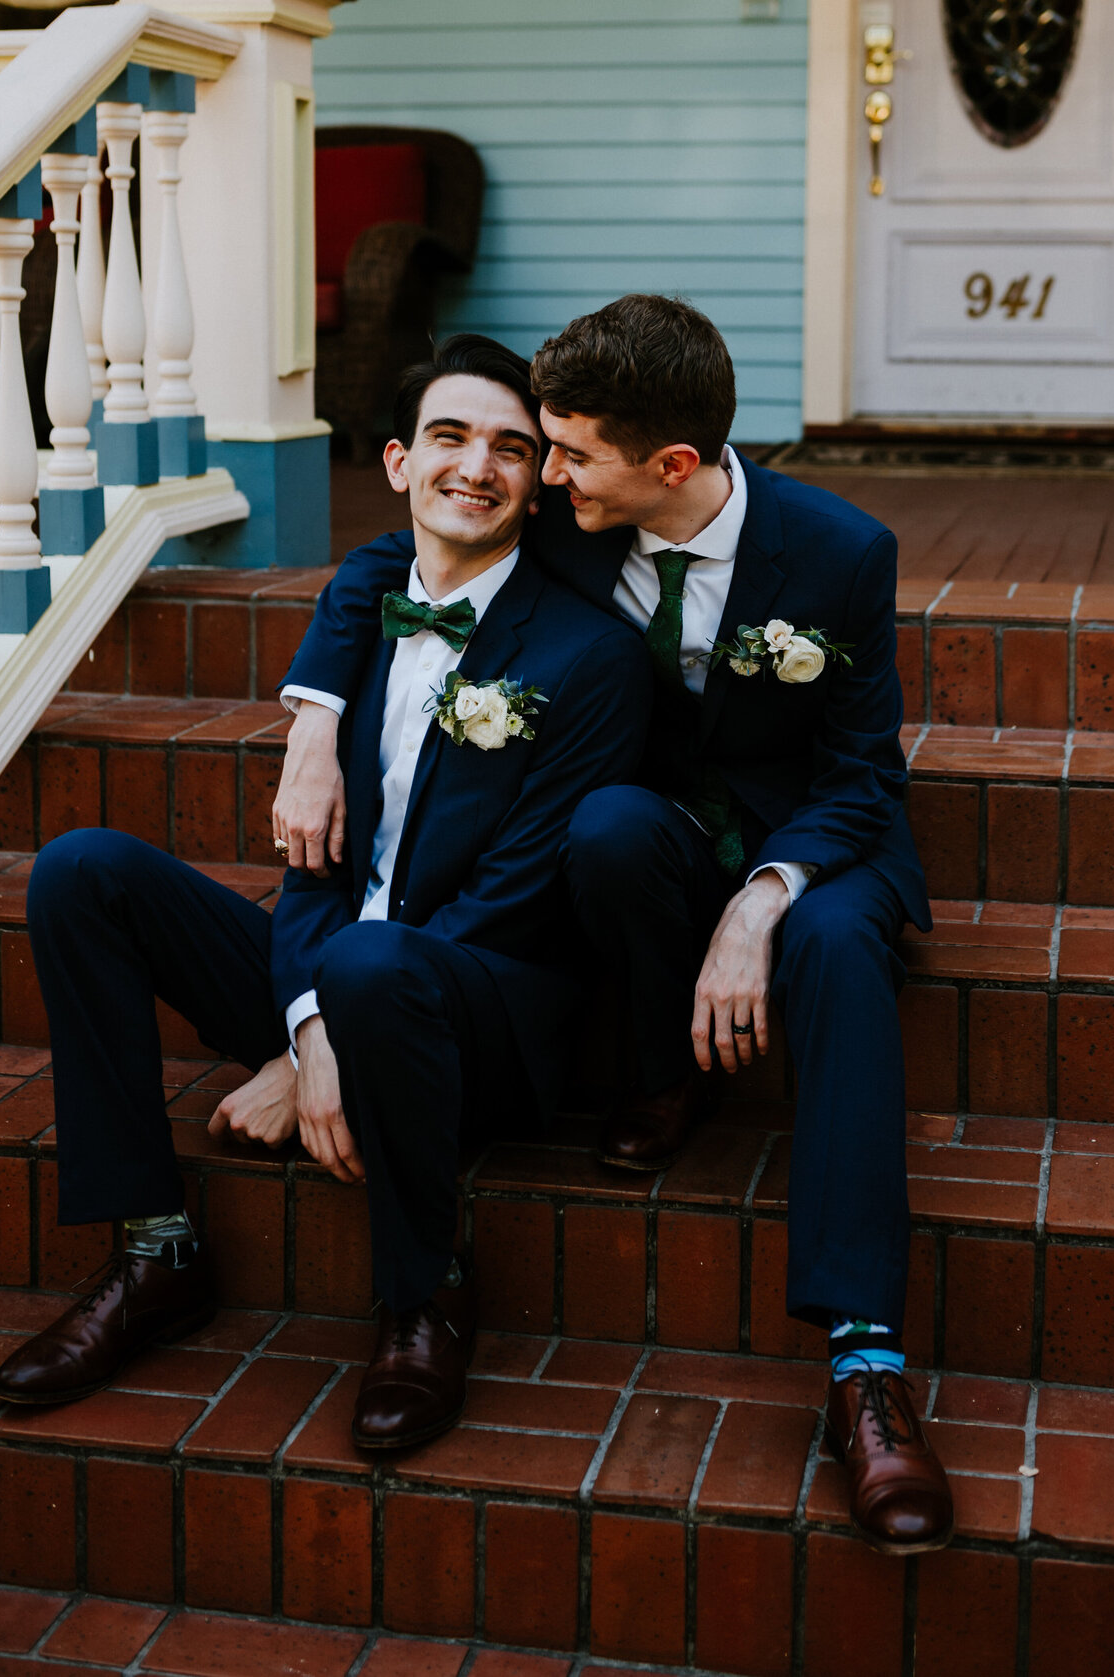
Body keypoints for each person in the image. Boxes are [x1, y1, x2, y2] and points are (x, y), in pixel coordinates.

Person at [280, 294, 955, 1554]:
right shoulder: (579, 518)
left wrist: (765, 896)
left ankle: (867, 1366)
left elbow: (864, 775)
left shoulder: (839, 552)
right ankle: (662, 1070)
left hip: (814, 837)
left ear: (673, 467)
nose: (541, 473)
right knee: (607, 830)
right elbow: (393, 559)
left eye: (567, 454)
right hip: (651, 830)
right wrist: (315, 713)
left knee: (833, 948)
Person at [0, 333, 651, 1454]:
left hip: (476, 1005)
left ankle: (425, 1291)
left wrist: (323, 1034)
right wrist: (306, 1032)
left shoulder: (591, 658)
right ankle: (157, 1250)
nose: (476, 466)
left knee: (372, 959)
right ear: (398, 461)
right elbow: (312, 865)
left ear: (541, 480)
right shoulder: (360, 611)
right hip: (336, 980)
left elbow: (518, 897)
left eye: (510, 446)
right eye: (450, 437)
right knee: (83, 871)